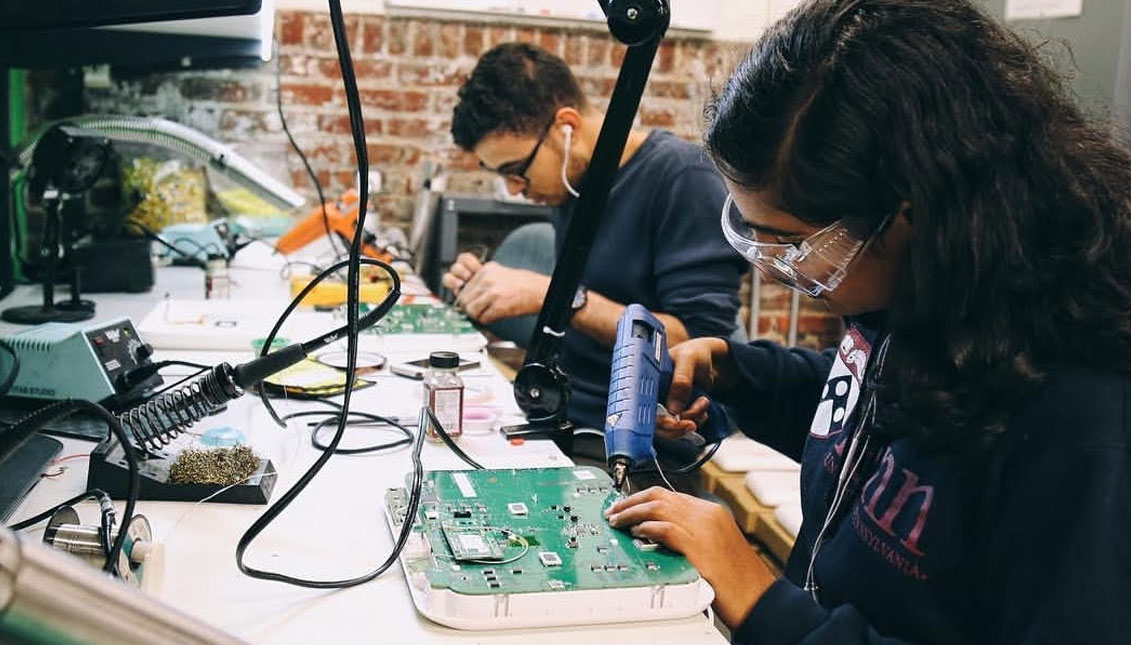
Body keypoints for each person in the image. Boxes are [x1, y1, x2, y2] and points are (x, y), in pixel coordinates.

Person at [605, 0, 1131, 642]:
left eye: (791, 244)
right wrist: (742, 376)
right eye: (755, 239)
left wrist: (764, 601)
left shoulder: (1086, 422)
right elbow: (879, 416)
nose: (769, 273)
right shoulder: (919, 292)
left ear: (910, 211)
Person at [442, 43, 748, 434]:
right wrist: (483, 288)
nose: (515, 189)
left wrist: (557, 296)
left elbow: (704, 347)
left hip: (641, 436)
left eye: (517, 170)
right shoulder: (576, 184)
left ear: (565, 128)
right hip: (564, 411)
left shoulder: (683, 179)